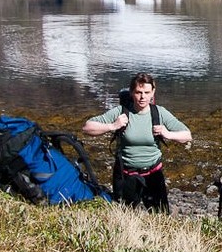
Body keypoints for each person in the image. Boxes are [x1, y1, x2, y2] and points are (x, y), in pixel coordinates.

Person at [82, 73, 191, 212]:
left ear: (153, 93)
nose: (142, 97)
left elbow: (187, 135)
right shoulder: (121, 112)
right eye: (138, 92)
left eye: (146, 92)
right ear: (132, 92)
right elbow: (87, 127)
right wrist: (112, 126)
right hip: (126, 175)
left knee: (161, 217)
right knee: (123, 217)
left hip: (153, 175)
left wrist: (168, 134)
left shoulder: (159, 113)